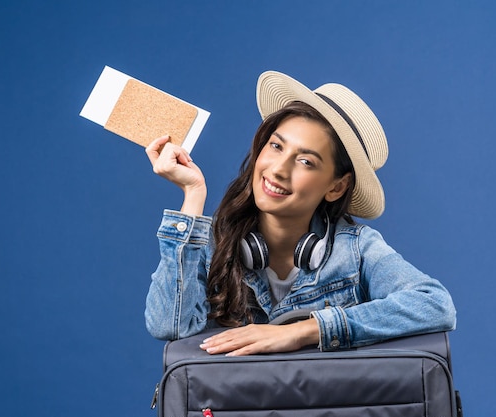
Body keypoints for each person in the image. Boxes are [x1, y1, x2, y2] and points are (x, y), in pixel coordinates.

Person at [144, 70, 456, 356]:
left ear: (336, 186)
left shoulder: (356, 249)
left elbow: (435, 303)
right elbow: (171, 327)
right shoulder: (213, 242)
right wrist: (193, 194)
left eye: (306, 161)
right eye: (276, 146)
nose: (278, 170)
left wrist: (305, 330)